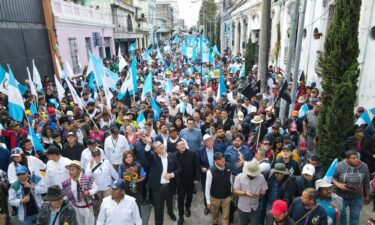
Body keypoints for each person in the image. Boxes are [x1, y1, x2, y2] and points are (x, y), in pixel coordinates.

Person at [144, 140, 180, 225]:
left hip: (169, 185)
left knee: (170, 202)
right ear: (155, 150)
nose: (160, 147)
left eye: (161, 144)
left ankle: (170, 213)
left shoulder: (172, 155)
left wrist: (172, 174)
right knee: (158, 207)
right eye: (157, 147)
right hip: (158, 187)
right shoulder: (153, 157)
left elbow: (179, 168)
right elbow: (146, 153)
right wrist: (149, 143)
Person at [332, 150, 370, 225]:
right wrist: (338, 184)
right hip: (341, 197)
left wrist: (367, 196)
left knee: (355, 216)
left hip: (357, 197)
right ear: (347, 159)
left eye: (357, 157)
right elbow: (331, 178)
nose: (356, 159)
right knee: (342, 216)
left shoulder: (364, 166)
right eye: (353, 158)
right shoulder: (339, 165)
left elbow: (366, 183)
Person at [62, 161, 97, 225]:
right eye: (69, 170)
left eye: (73, 169)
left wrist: (89, 192)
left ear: (79, 170)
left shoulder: (87, 179)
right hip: (76, 208)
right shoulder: (66, 183)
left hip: (87, 207)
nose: (70, 172)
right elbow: (66, 195)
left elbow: (96, 188)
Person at [233, 160, 268, 225]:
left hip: (255, 206)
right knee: (243, 223)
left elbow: (264, 191)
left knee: (255, 223)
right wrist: (245, 193)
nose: (252, 176)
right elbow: (235, 191)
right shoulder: (239, 177)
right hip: (243, 206)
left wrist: (260, 194)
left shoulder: (261, 177)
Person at [85, 149, 119, 216]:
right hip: (97, 188)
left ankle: (109, 216)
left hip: (107, 187)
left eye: (98, 155)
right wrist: (90, 166)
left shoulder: (106, 162)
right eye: (94, 156)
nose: (97, 157)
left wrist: (118, 182)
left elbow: (113, 173)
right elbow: (87, 176)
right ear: (92, 157)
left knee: (108, 203)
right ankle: (101, 216)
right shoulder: (90, 164)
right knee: (99, 204)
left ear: (100, 155)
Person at [174, 139, 200, 225]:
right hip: (180, 182)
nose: (182, 146)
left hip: (191, 181)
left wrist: (197, 178)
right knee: (180, 199)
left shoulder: (192, 154)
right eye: (180, 145)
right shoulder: (174, 155)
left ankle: (187, 207)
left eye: (183, 144)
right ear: (177, 147)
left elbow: (197, 167)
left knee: (189, 196)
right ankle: (181, 216)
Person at [205, 152, 232, 225]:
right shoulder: (211, 171)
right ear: (215, 161)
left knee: (226, 216)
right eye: (220, 159)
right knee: (215, 214)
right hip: (215, 198)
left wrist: (231, 191)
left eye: (223, 157)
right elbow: (207, 187)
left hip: (226, 196)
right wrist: (208, 201)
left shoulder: (228, 166)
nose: (223, 160)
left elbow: (230, 180)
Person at [198, 134, 221, 214]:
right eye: (207, 141)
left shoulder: (218, 149)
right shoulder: (200, 151)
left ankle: (218, 206)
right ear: (204, 143)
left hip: (217, 174)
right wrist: (201, 168)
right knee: (206, 190)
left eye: (210, 140)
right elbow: (198, 163)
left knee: (217, 189)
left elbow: (222, 160)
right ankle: (207, 206)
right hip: (205, 175)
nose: (209, 142)